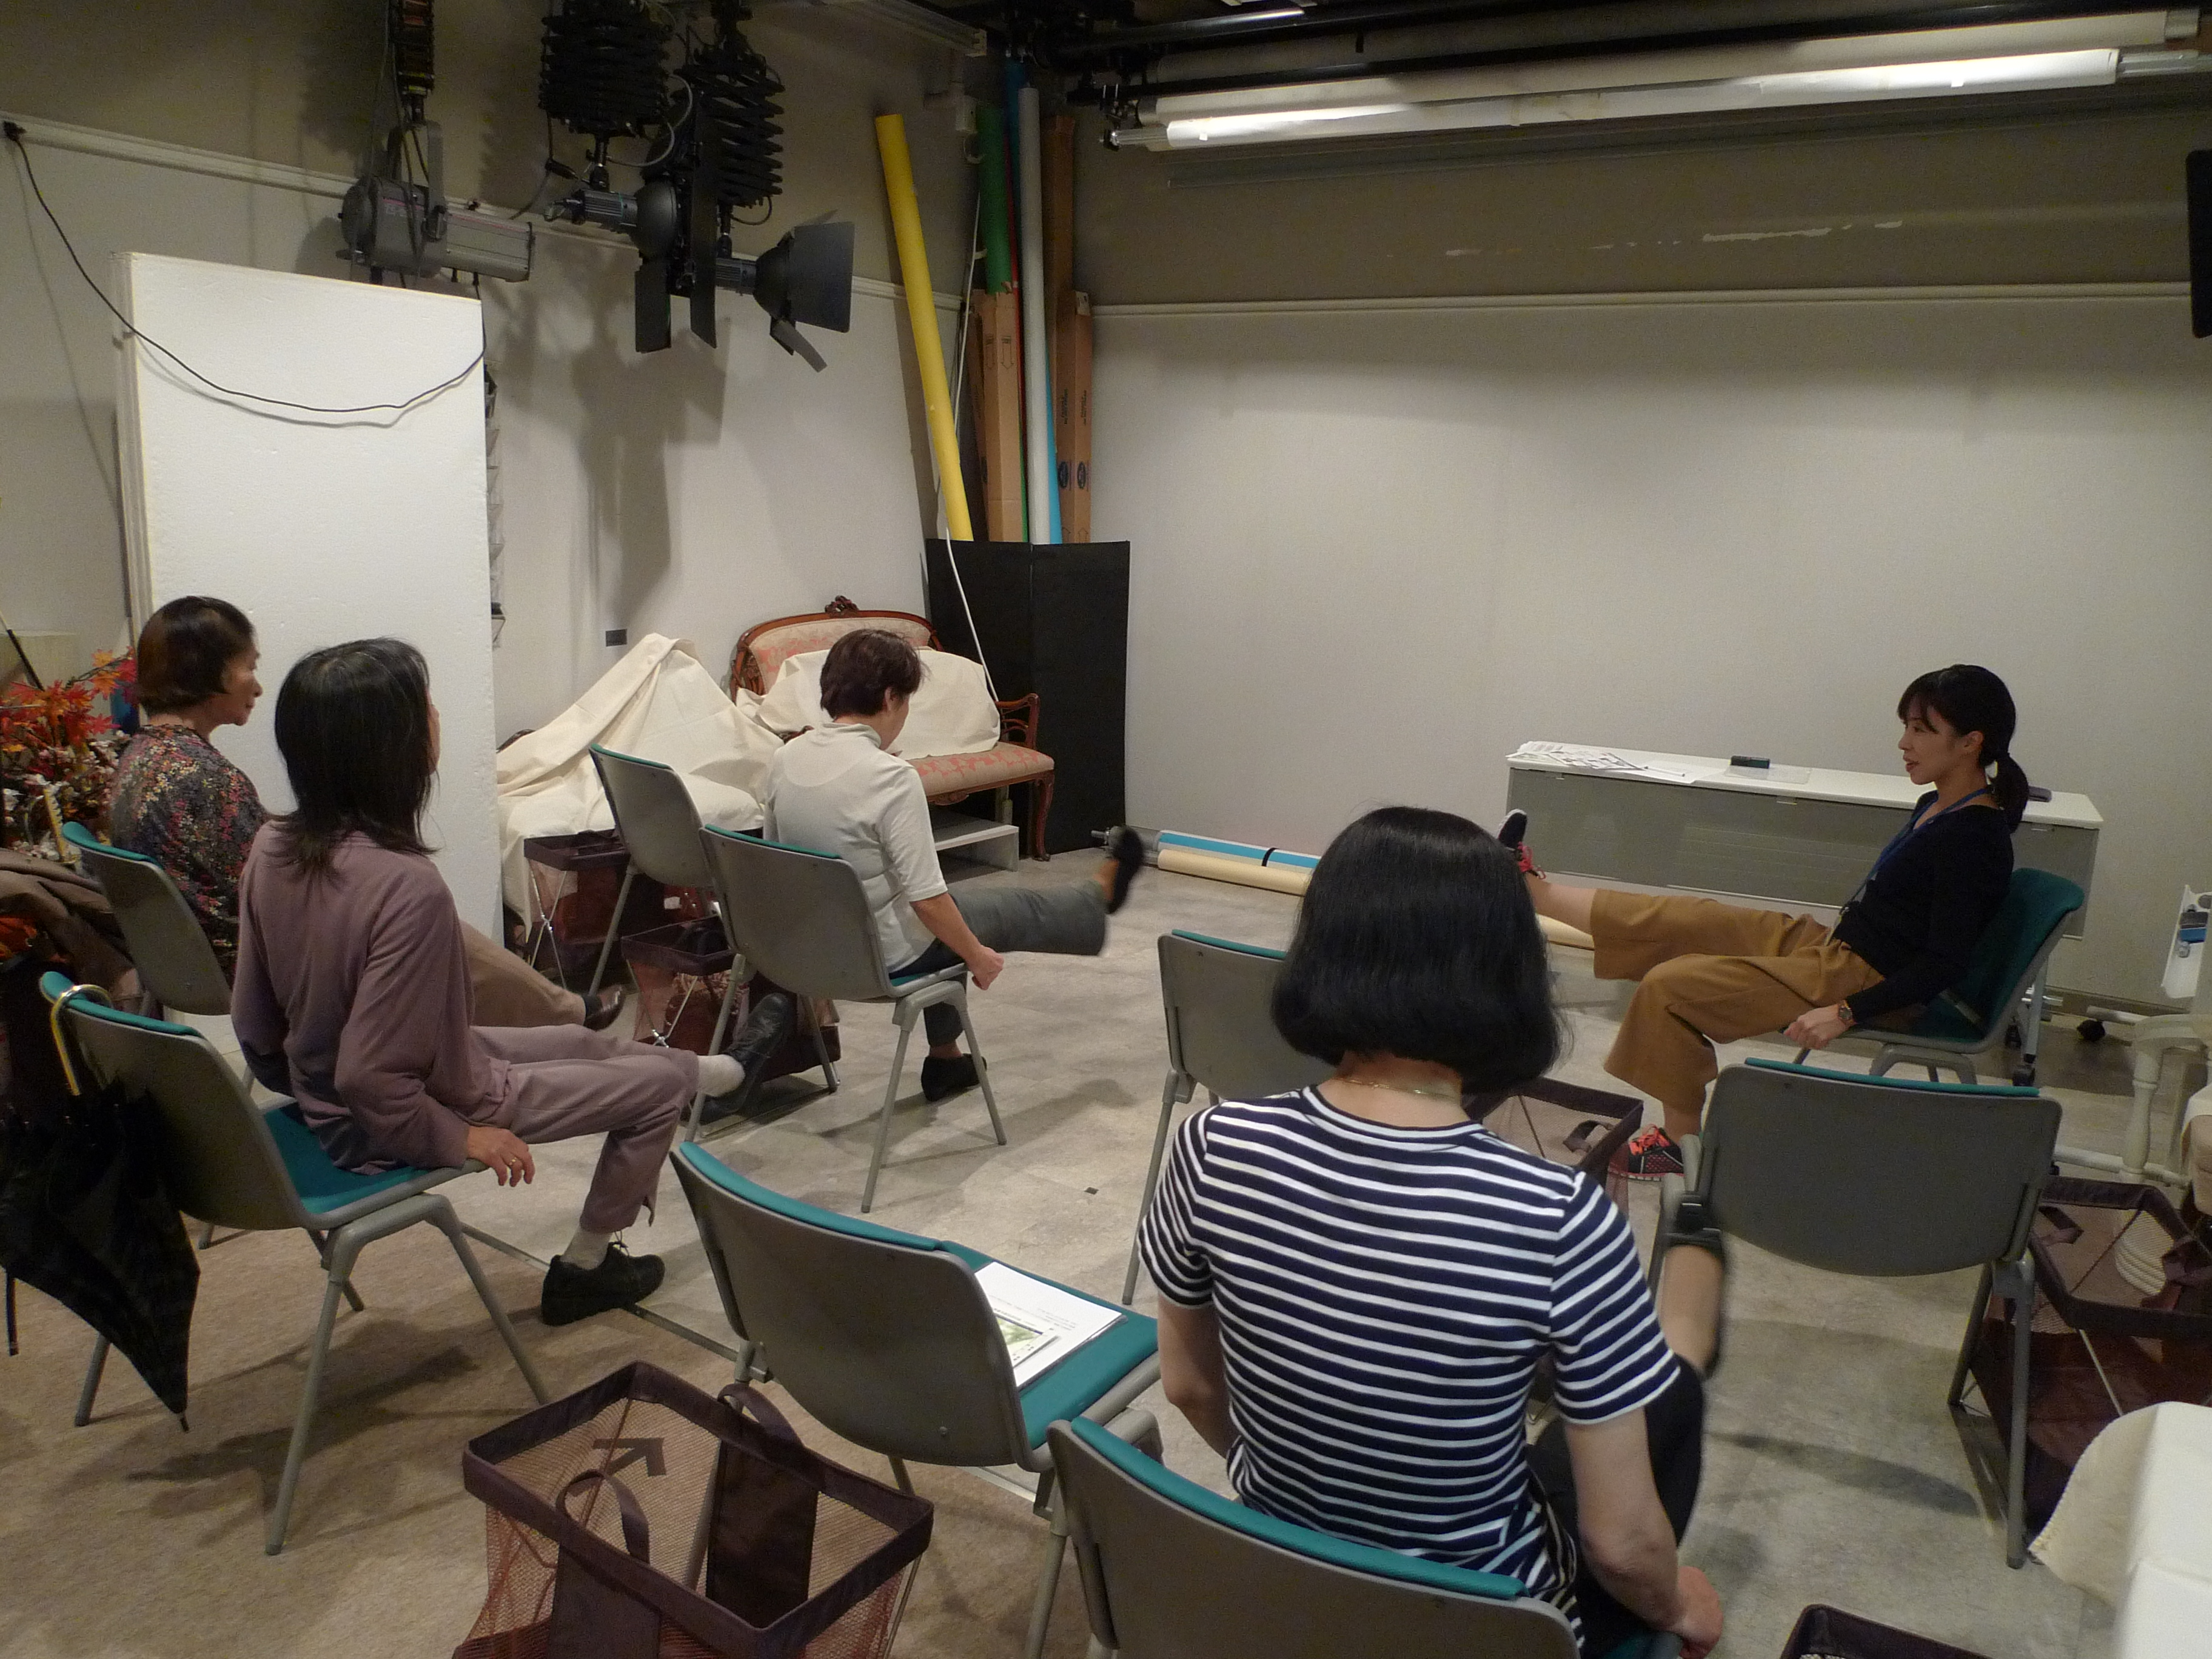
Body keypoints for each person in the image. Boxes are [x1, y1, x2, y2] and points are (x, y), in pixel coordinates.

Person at [1139, 806, 1727, 1659]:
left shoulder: (1209, 1146)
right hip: (1482, 1628)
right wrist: (1680, 1607)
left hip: (1282, 1586)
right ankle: (1686, 1320)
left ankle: (1679, 1331)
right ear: (1508, 977)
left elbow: (1190, 1385)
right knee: (1666, 1399)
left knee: (1635, 1397)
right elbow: (1621, 1545)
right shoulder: (1561, 1217)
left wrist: (1292, 1509)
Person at [231, 638, 794, 1324]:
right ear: (392, 747)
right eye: (427, 706)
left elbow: (255, 1027)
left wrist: (312, 1092)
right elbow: (370, 1078)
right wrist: (456, 1137)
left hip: (393, 1086)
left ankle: (724, 1074)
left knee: (582, 1041)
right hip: (416, 1109)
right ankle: (587, 1266)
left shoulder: (271, 847)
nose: (438, 717)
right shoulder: (406, 887)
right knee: (656, 1092)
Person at [1508, 663, 2026, 1178]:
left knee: (1670, 987)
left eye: (1921, 730)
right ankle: (1529, 889)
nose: (1904, 743)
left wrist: (1846, 1011)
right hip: (1839, 949)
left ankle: (1678, 1145)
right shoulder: (1936, 804)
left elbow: (1945, 961)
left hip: (1864, 980)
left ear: (1970, 743)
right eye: (1907, 727)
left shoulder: (1973, 839)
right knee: (1688, 918)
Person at [108, 595, 613, 1028]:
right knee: (420, 919)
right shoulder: (202, 777)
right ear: (209, 672)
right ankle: (556, 1018)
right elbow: (278, 884)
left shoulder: (140, 758)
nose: (257, 687)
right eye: (249, 667)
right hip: (253, 967)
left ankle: (552, 1014)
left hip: (186, 965)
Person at [761, 628, 1145, 1100]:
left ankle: (946, 1059)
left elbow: (776, 862)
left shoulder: (784, 759)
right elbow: (928, 901)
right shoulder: (891, 779)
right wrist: (978, 957)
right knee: (1001, 913)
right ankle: (1097, 896)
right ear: (890, 698)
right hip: (877, 961)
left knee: (951, 917)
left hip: (803, 953)